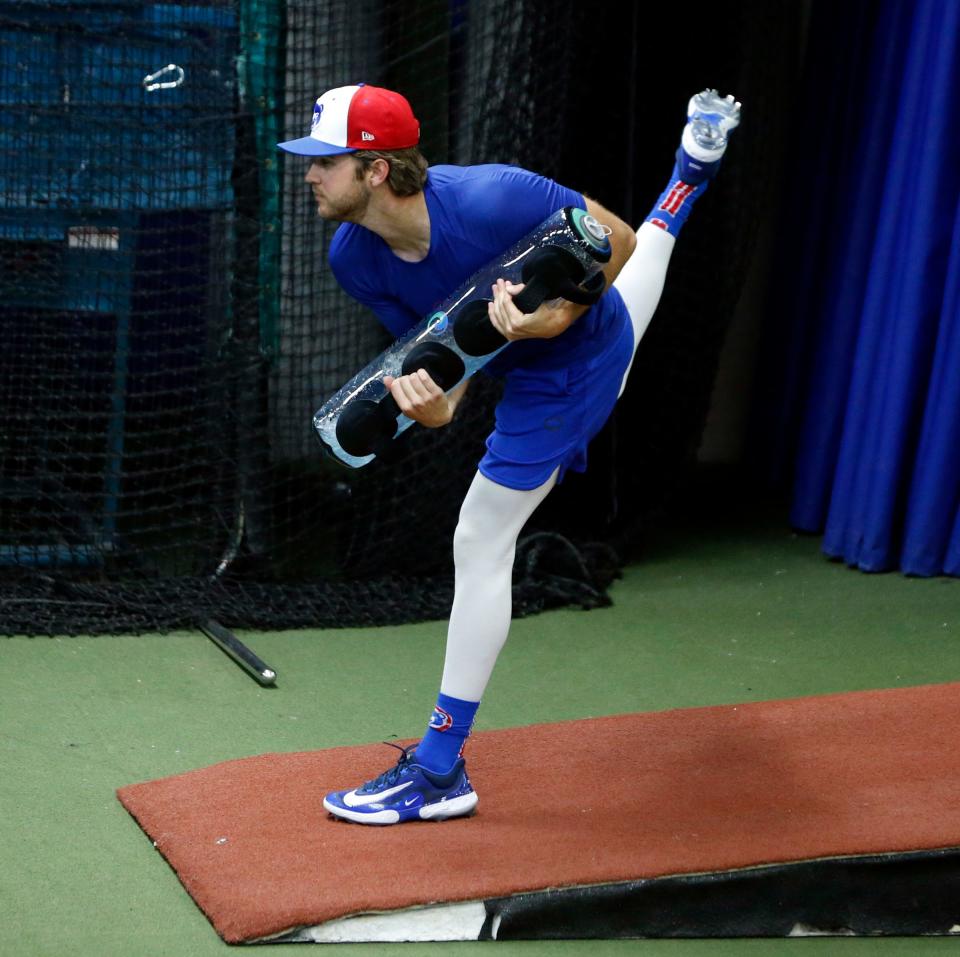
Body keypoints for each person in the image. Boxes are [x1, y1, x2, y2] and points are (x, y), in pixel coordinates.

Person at [277, 82, 741, 825]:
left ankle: (439, 769)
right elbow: (447, 363)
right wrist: (437, 410)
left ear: (375, 170)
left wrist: (556, 317)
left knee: (480, 536)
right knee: (642, 294)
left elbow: (612, 237)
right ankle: (688, 176)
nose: (308, 175)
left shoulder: (493, 197)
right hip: (516, 358)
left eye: (324, 161)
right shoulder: (353, 258)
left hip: (573, 363)